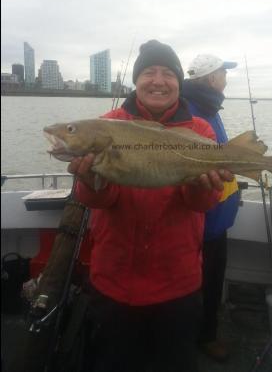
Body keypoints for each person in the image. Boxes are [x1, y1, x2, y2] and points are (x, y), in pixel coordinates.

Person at [67, 40, 234, 372]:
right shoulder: (109, 123)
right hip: (114, 280)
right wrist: (88, 181)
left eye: (167, 73)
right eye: (148, 72)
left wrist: (204, 188)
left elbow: (200, 204)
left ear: (178, 82)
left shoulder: (199, 130)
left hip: (178, 282)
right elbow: (100, 199)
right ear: (136, 80)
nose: (158, 80)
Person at [182, 54, 240, 362]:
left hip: (219, 218)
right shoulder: (193, 109)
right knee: (199, 282)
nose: (226, 78)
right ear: (209, 78)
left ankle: (204, 332)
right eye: (222, 72)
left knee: (213, 280)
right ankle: (202, 337)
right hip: (203, 219)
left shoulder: (209, 106)